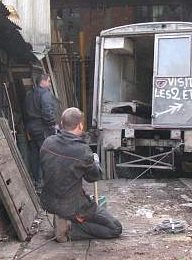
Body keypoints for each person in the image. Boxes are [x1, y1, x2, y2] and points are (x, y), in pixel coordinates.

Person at [40, 107, 122, 242]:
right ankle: (69, 229)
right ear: (80, 125)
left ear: (61, 123)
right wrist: (94, 161)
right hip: (73, 205)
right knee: (115, 228)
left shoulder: (48, 142)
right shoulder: (82, 150)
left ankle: (63, 219)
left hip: (48, 201)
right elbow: (93, 177)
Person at [25, 74, 57, 188]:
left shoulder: (29, 94)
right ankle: (48, 182)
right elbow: (47, 112)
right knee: (46, 154)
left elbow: (26, 112)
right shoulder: (45, 94)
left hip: (30, 128)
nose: (49, 84)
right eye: (48, 81)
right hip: (42, 128)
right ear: (42, 81)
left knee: (34, 154)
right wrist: (53, 125)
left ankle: (37, 181)